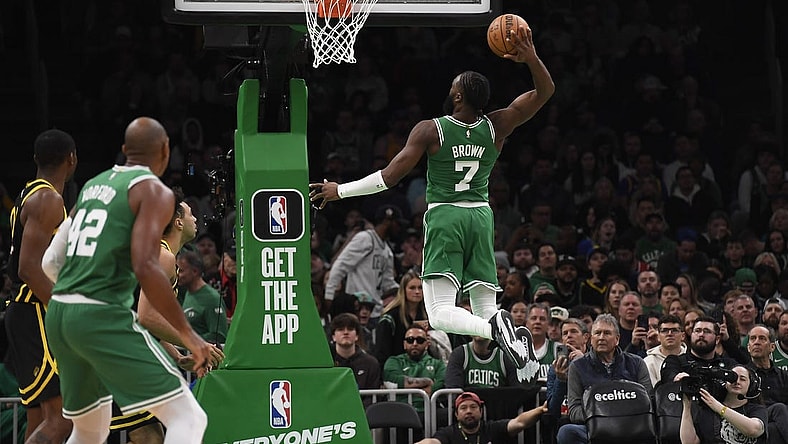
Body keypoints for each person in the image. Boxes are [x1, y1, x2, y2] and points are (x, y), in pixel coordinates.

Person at [310, 24, 554, 378]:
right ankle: (510, 339)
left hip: (445, 217)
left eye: (454, 86)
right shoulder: (498, 125)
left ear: (457, 97)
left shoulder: (430, 129)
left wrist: (340, 190)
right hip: (482, 217)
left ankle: (495, 331)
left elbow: (388, 178)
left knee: (439, 313)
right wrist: (531, 57)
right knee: (485, 307)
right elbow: (546, 91)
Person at [41, 117, 212, 444]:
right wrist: (190, 337)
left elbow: (51, 261)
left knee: (90, 430)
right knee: (188, 418)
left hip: (61, 314)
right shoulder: (154, 191)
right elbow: (146, 267)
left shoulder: (92, 185)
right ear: (165, 151)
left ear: (124, 150)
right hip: (100, 314)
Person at [5, 129, 77, 442]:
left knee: (37, 419)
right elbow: (28, 270)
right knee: (61, 422)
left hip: (23, 313)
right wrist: (65, 311)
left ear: (36, 159)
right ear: (72, 159)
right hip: (35, 312)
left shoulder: (28, 195)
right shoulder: (48, 199)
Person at [556, 313, 652, 444]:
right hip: (595, 426)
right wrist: (602, 414)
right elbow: (574, 411)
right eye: (597, 333)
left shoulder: (637, 363)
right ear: (591, 338)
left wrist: (621, 415)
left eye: (607, 333)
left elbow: (648, 401)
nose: (601, 337)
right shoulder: (578, 367)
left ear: (617, 339)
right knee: (567, 432)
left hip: (631, 425)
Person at [323, 204, 402, 324]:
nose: (399, 228)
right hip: (356, 309)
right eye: (397, 223)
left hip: (375, 310)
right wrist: (329, 295)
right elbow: (340, 266)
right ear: (387, 221)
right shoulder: (365, 238)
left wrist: (404, 289)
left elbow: (387, 283)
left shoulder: (387, 251)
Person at [679, 365, 767, 444]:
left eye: (742, 379)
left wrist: (718, 407)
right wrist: (687, 406)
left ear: (751, 386)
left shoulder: (757, 410)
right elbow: (689, 442)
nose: (737, 382)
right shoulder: (707, 410)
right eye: (732, 378)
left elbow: (754, 430)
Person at [415, 391, 546, 444]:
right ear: (456, 414)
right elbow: (432, 442)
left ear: (481, 412)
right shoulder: (449, 433)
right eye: (463, 408)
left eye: (473, 407)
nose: (469, 411)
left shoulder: (491, 428)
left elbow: (519, 422)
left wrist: (540, 409)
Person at [383, 325, 446, 418]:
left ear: (427, 344)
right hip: (400, 411)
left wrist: (406, 388)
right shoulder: (394, 361)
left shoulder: (438, 364)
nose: (415, 343)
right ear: (404, 344)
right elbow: (392, 380)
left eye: (420, 340)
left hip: (430, 411)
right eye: (410, 340)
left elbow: (439, 385)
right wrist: (427, 382)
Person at [374, 270, 428, 365]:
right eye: (412, 288)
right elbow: (381, 352)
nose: (417, 292)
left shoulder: (428, 315)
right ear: (403, 290)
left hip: (422, 367)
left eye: (420, 288)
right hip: (395, 368)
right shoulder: (389, 318)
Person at [746, 324, 788, 444]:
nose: (757, 342)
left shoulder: (784, 376)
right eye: (753, 339)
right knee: (779, 408)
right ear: (748, 347)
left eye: (762, 338)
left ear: (772, 347)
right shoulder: (743, 375)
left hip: (777, 425)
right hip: (752, 422)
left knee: (773, 429)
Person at [177, 250, 229, 343]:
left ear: (195, 271)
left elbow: (219, 335)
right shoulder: (188, 293)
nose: (177, 275)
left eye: (181, 271)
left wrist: (188, 340)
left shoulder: (212, 299)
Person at [329, 313, 382, 403]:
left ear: (357, 336)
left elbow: (372, 397)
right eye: (340, 329)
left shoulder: (371, 363)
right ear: (333, 337)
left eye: (350, 329)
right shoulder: (326, 363)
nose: (345, 332)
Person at [643, 314, 686, 386]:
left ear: (683, 336)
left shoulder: (692, 358)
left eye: (674, 330)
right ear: (658, 336)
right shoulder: (648, 362)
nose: (669, 334)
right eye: (665, 331)